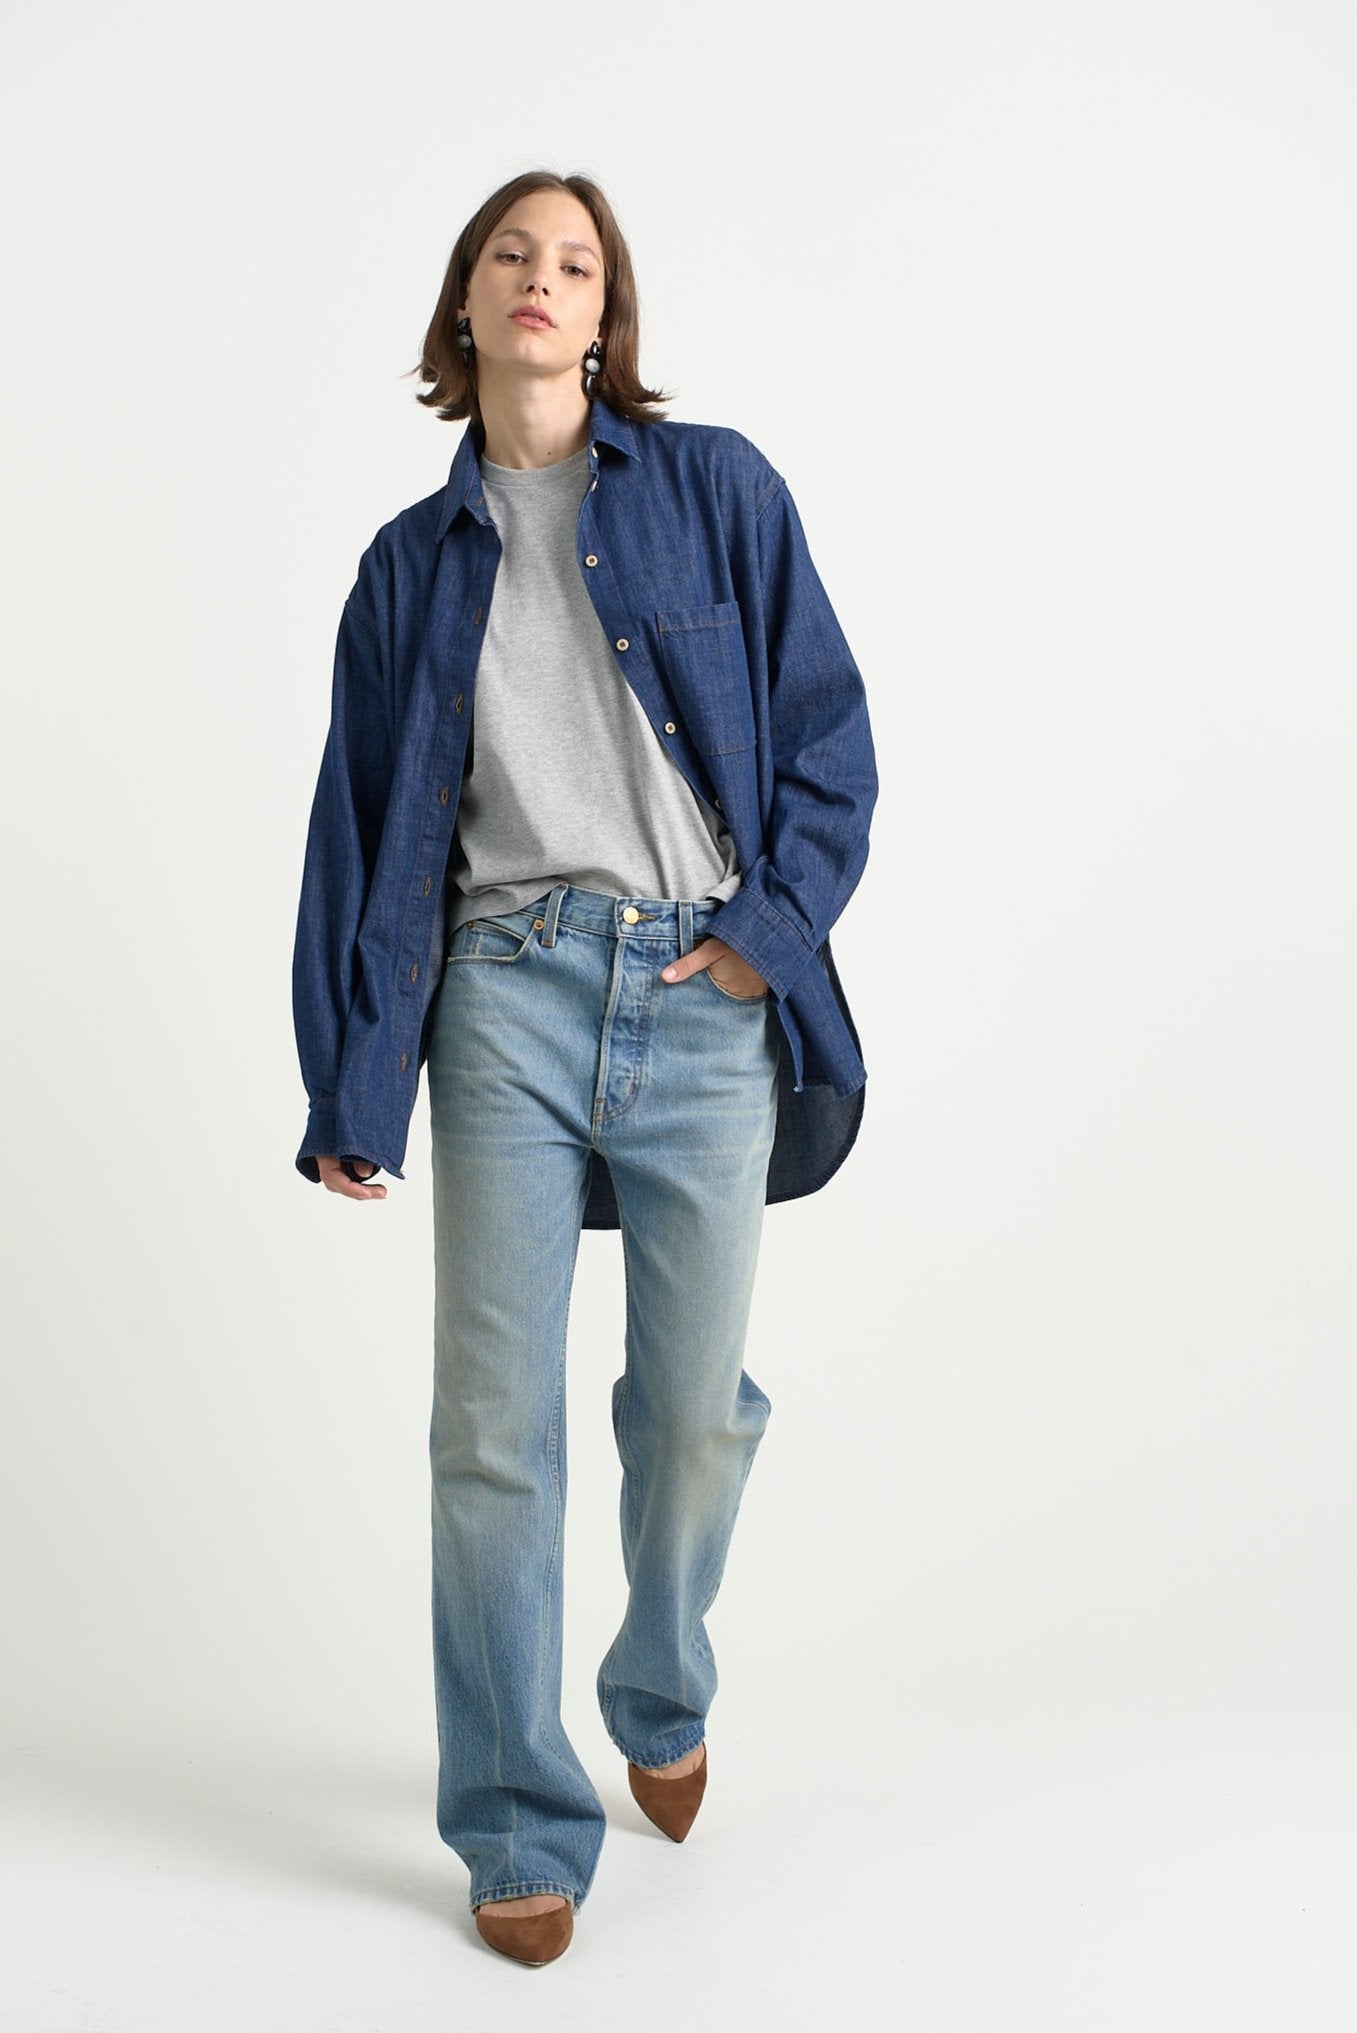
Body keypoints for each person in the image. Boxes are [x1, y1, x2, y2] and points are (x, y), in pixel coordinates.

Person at [291, 168, 878, 1967]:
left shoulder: (717, 491)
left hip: (700, 994)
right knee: (491, 1431)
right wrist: (351, 1079)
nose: (541, 281)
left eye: (575, 263)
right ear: (465, 306)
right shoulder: (407, 568)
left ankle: (661, 1674)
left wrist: (761, 935)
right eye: (510, 256)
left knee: (692, 1415)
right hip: (505, 997)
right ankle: (515, 1818)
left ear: (607, 316)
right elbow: (356, 837)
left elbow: (830, 739)